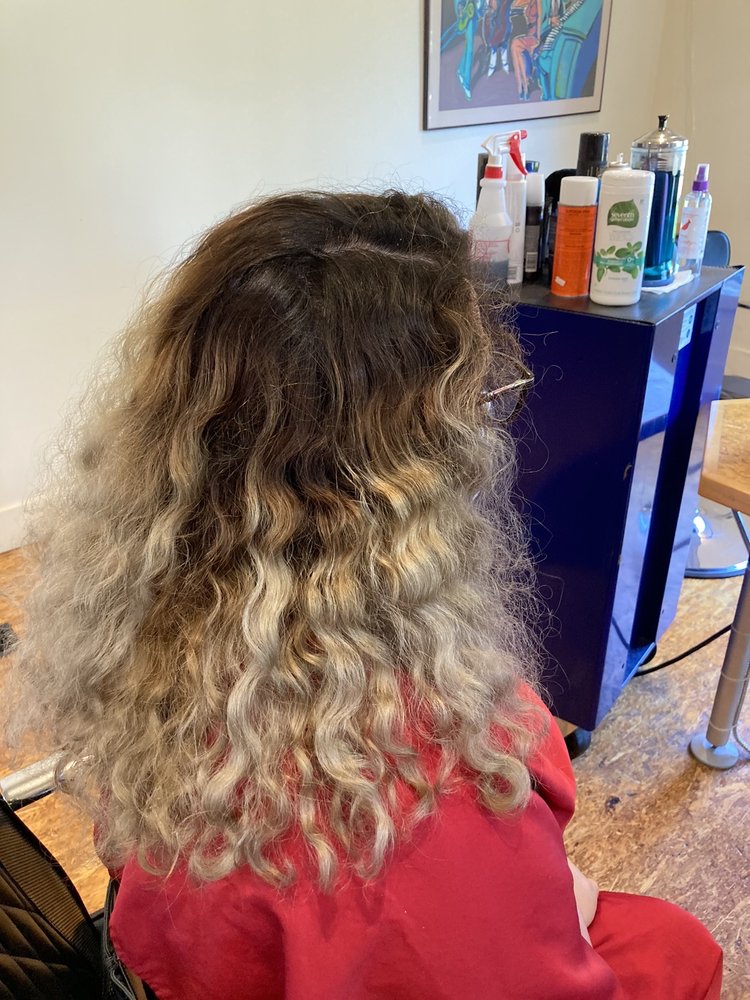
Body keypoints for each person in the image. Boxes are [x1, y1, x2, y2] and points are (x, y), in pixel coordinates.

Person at [7, 190, 722, 999]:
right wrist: (553, 896)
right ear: (404, 476)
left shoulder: (133, 633)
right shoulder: (431, 788)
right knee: (682, 946)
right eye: (483, 401)